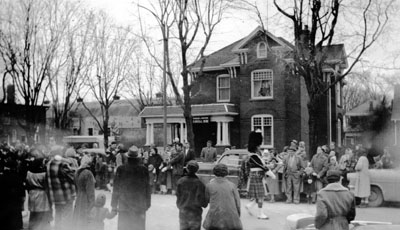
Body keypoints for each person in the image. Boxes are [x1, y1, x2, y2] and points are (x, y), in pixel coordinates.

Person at [111, 145, 151, 230]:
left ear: (127, 157)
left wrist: (114, 205)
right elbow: (148, 188)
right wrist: (147, 204)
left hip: (124, 206)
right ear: (138, 158)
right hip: (139, 206)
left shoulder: (121, 169)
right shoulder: (144, 170)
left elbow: (116, 188)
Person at [244, 131, 275, 219]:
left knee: (259, 195)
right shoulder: (254, 156)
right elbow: (262, 167)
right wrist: (272, 174)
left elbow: (261, 165)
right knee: (261, 196)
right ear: (256, 147)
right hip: (257, 176)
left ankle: (250, 205)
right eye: (258, 146)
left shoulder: (255, 156)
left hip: (258, 176)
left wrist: (269, 166)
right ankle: (260, 214)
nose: (259, 148)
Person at [203, 164, 243, 230]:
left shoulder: (209, 185)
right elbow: (237, 203)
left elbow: (206, 201)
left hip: (215, 218)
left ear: (214, 172)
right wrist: (237, 216)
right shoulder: (232, 185)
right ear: (227, 173)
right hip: (231, 218)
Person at [47, 151, 76, 230]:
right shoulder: (63, 164)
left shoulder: (49, 164)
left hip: (56, 195)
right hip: (66, 194)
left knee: (58, 214)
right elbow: (73, 177)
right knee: (67, 216)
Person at [176, 160, 207, 230]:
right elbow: (204, 203)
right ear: (197, 170)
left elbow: (178, 197)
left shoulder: (180, 181)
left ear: (186, 169)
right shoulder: (200, 183)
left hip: (183, 212)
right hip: (196, 214)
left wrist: (181, 206)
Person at [25, 149, 52, 230]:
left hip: (32, 194)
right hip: (42, 194)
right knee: (42, 214)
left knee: (33, 215)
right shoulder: (43, 174)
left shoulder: (29, 173)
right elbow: (47, 184)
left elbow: (27, 184)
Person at [73, 155, 96, 230]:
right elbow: (90, 191)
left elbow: (76, 187)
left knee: (78, 218)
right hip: (86, 198)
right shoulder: (88, 173)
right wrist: (92, 204)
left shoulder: (77, 172)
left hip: (79, 197)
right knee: (85, 220)